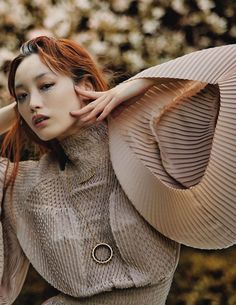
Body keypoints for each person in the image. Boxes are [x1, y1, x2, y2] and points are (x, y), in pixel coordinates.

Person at [0, 36, 236, 305]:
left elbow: (231, 64)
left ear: (85, 86)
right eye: (22, 96)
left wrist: (133, 86)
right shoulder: (26, 184)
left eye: (46, 85)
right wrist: (19, 111)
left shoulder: (143, 141)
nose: (33, 104)